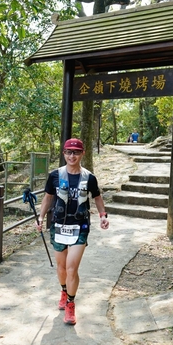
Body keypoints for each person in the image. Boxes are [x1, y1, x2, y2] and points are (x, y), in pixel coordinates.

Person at [36, 138, 109, 325]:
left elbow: (97, 197)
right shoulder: (55, 175)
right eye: (68, 152)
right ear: (64, 154)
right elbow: (48, 198)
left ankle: (70, 304)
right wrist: (41, 217)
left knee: (71, 268)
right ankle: (63, 290)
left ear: (82, 153)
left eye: (76, 152)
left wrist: (103, 215)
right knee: (61, 268)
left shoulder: (89, 178)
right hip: (59, 226)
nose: (72, 156)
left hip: (79, 226)